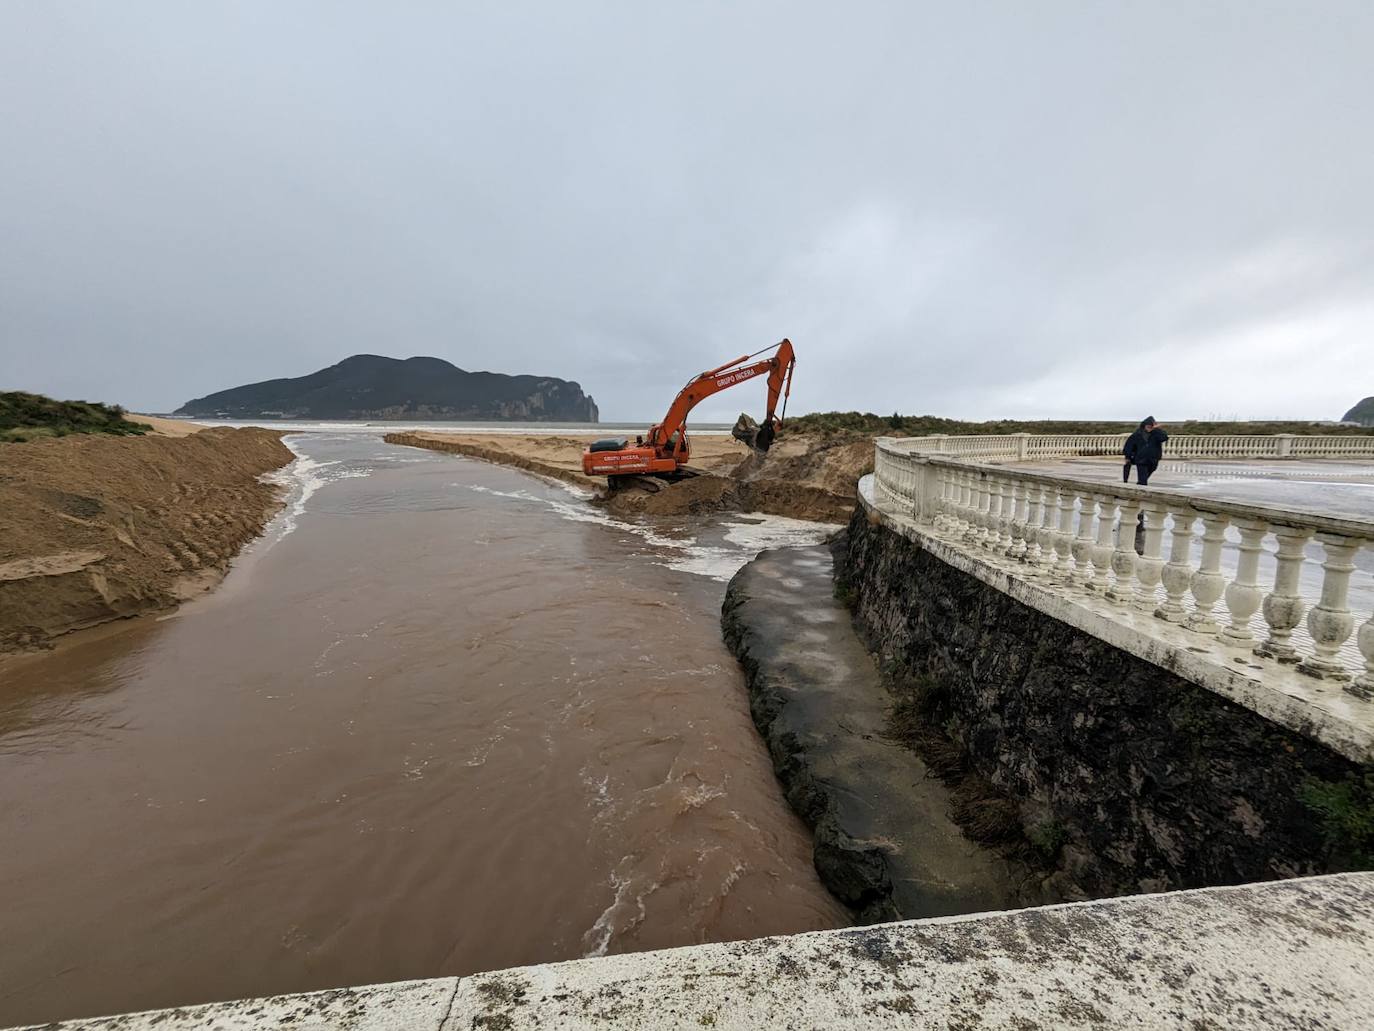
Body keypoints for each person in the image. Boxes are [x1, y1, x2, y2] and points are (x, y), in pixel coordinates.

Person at [1123, 416, 1168, 485]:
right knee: (1143, 479)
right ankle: (1141, 486)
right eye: (1148, 426)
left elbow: (1164, 438)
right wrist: (1127, 457)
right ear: (1144, 425)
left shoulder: (1156, 434)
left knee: (1147, 474)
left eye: (1151, 426)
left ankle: (1140, 484)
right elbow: (1129, 446)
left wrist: (1157, 429)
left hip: (1153, 459)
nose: (1149, 428)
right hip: (1141, 459)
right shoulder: (1137, 434)